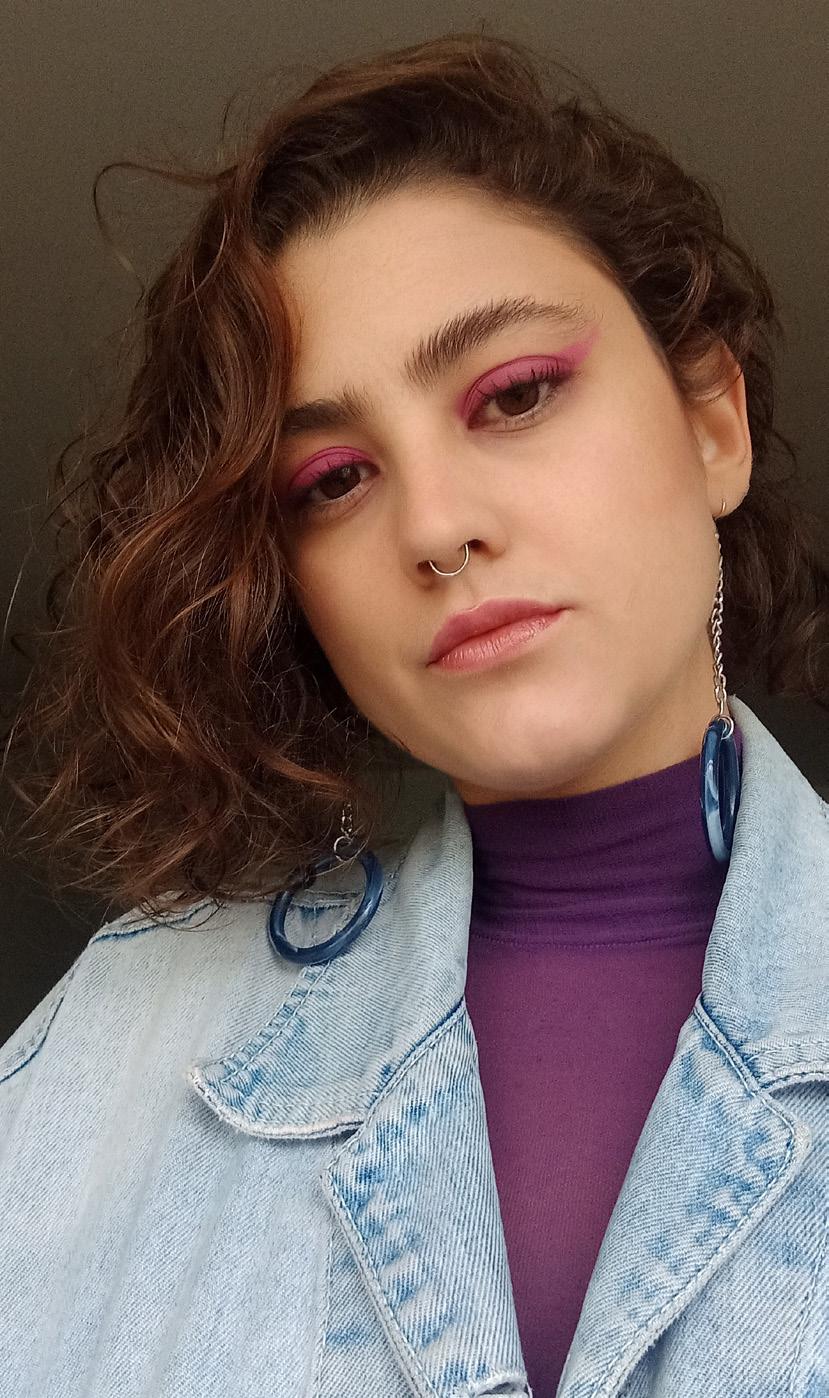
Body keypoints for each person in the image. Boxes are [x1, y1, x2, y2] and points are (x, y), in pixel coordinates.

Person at [0, 29, 826, 1398]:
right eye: (332, 479)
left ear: (712, 426)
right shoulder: (115, 1050)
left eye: (515, 394)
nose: (435, 526)